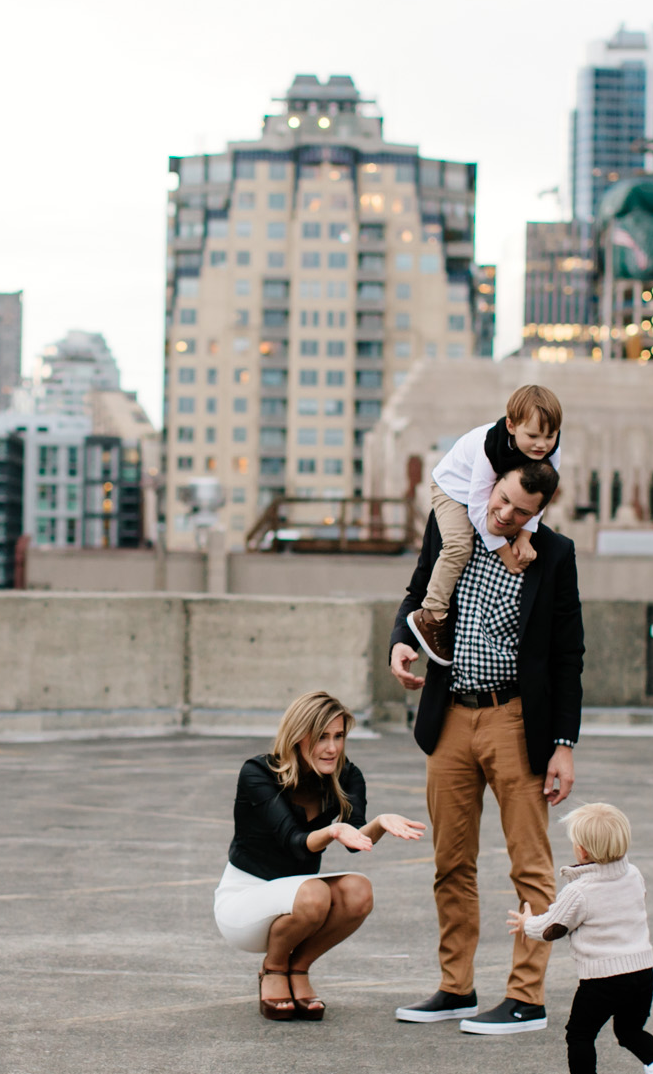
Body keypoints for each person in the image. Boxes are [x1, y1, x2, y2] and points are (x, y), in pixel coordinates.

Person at [388, 458, 584, 1035]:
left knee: (531, 867)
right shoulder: (455, 529)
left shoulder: (553, 555)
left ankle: (526, 998)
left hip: (514, 720)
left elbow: (569, 653)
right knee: (450, 862)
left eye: (520, 511)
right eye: (500, 501)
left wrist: (563, 744)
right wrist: (401, 640)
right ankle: (456, 989)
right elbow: (416, 594)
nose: (503, 515)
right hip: (449, 716)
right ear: (492, 485)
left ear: (539, 510)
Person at [213, 690, 426, 1021]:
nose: (332, 748)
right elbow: (293, 841)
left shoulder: (347, 775)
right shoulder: (258, 773)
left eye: (339, 736)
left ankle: (298, 968)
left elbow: (355, 840)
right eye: (321, 737)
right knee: (314, 893)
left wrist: (380, 823)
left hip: (299, 901)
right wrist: (331, 831)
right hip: (245, 903)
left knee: (359, 891)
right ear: (298, 736)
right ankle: (272, 969)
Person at [508, 802, 653, 1074]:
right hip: (642, 972)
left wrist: (527, 924)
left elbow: (553, 928)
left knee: (580, 1033)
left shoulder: (580, 890)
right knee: (630, 1030)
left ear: (581, 851)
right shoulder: (633, 875)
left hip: (603, 979)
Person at [404, 384, 564, 668]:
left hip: (491, 492)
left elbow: (541, 497)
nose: (542, 445)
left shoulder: (552, 451)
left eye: (549, 436)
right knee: (458, 545)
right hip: (453, 488)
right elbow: (478, 506)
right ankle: (431, 614)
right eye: (533, 436)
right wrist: (503, 551)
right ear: (512, 426)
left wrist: (526, 536)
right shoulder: (490, 446)